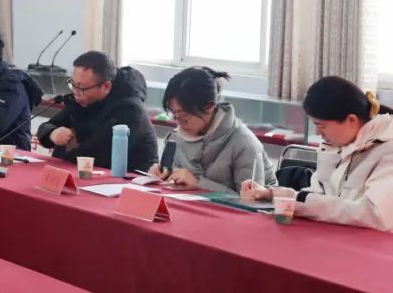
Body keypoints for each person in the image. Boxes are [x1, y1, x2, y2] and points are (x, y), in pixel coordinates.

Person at [242, 77, 393, 231]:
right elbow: (317, 196)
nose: (317, 132)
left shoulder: (387, 151)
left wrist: (301, 204)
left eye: (322, 126)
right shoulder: (339, 146)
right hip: (335, 235)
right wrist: (272, 194)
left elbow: (374, 215)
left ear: (351, 120)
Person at [147, 67, 276, 193]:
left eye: (184, 115)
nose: (178, 121)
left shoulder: (244, 143)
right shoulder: (180, 135)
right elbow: (182, 179)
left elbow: (252, 201)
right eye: (173, 114)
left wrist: (198, 184)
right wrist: (165, 175)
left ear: (209, 107)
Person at [36, 51, 158, 172]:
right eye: (72, 84)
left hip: (128, 179)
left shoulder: (130, 110)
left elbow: (93, 155)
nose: (75, 92)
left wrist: (64, 150)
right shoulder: (81, 97)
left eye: (81, 87)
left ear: (106, 86)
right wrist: (52, 133)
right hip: (89, 174)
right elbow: (46, 127)